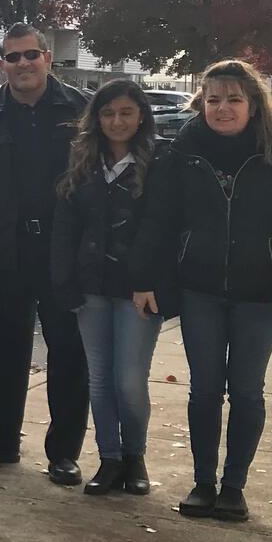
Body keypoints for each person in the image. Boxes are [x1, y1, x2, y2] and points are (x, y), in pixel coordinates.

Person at [134, 59, 272, 522]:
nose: (223, 108)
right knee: (205, 391)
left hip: (261, 292)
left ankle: (234, 485)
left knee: (247, 391)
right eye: (213, 99)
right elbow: (158, 221)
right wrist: (145, 279)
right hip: (200, 290)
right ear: (201, 104)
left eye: (234, 99)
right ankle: (203, 482)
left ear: (253, 104)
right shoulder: (182, 152)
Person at [0, 24, 90, 479]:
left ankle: (64, 453)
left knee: (68, 351)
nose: (22, 64)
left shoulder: (82, 111)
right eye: (12, 57)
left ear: (48, 57)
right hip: (7, 250)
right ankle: (0, 441)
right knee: (8, 351)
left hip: (66, 252)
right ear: (1, 64)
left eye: (31, 55)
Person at [51, 80, 170, 497]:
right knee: (100, 379)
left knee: (129, 379)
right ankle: (110, 459)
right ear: (96, 118)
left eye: (125, 113)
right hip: (90, 288)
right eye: (107, 113)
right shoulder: (83, 160)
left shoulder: (160, 161)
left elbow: (163, 230)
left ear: (141, 117)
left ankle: (135, 456)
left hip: (140, 291)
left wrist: (149, 281)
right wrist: (64, 282)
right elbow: (65, 228)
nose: (116, 121)